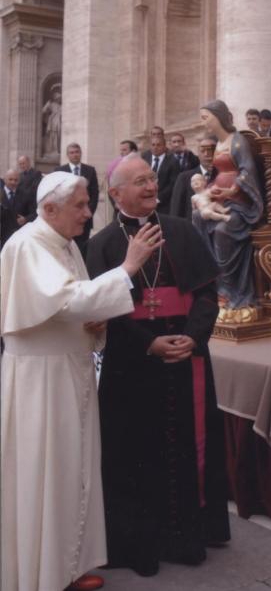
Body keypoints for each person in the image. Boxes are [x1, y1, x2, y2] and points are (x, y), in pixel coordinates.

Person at [1, 170, 162, 591]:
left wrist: (95, 323)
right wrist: (127, 268)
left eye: (89, 204)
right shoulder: (29, 244)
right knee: (47, 473)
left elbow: (76, 306)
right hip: (42, 381)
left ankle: (64, 566)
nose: (89, 214)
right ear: (49, 209)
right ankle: (40, 575)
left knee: (71, 470)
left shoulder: (64, 243)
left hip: (68, 371)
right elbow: (67, 299)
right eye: (81, 206)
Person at [86, 154, 230, 578]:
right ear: (116, 194)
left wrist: (194, 336)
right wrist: (149, 344)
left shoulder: (183, 230)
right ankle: (139, 544)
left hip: (185, 355)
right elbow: (102, 310)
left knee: (186, 444)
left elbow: (207, 292)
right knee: (135, 453)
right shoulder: (101, 244)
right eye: (139, 181)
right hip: (132, 364)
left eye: (152, 179)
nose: (151, 186)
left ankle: (187, 537)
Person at [195, 100, 263, 310]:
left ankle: (232, 290)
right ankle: (215, 281)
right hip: (220, 200)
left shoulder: (238, 141)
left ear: (218, 117)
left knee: (224, 230)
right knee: (198, 217)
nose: (203, 122)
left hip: (240, 204)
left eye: (206, 118)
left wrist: (231, 190)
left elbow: (247, 171)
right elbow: (217, 173)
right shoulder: (218, 144)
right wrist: (210, 190)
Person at [57, 143, 99, 257]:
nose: (75, 155)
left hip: (85, 220)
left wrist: (87, 212)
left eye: (77, 152)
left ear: (80, 153)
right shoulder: (60, 171)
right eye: (72, 152)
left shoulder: (90, 170)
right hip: (66, 218)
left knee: (83, 249)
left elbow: (94, 195)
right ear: (67, 155)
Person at [170, 137, 216, 220]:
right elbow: (176, 210)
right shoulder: (184, 178)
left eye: (210, 150)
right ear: (198, 153)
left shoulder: (222, 176)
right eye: (203, 151)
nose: (206, 154)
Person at [142, 135, 180, 213]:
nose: (155, 147)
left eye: (158, 145)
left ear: (164, 146)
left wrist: (158, 199)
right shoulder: (144, 158)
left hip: (164, 204)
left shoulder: (173, 161)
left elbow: (173, 184)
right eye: (153, 145)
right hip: (145, 202)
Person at [1, 169, 33, 248]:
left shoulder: (26, 194)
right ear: (4, 179)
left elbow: (35, 213)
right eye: (10, 179)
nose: (13, 182)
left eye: (16, 180)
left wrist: (26, 219)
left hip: (19, 237)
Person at [42, 88, 62, 156]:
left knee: (58, 136)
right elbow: (43, 110)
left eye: (60, 98)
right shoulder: (51, 104)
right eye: (58, 98)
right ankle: (50, 150)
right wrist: (48, 104)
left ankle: (56, 150)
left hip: (59, 122)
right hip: (52, 121)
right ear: (56, 98)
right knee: (52, 135)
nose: (59, 99)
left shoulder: (60, 106)